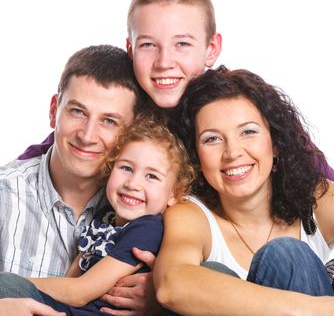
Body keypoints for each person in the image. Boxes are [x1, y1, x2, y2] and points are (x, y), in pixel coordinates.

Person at [16, 0, 334, 184]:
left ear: (211, 48)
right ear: (130, 49)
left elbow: (324, 180)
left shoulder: (241, 104)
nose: (164, 62)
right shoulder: (125, 104)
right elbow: (54, 146)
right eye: (148, 45)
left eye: (182, 44)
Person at [154, 66, 334, 315]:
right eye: (212, 139)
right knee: (285, 256)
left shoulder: (318, 198)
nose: (232, 153)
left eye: (248, 132)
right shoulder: (191, 214)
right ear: (196, 155)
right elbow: (171, 284)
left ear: (275, 144)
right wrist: (329, 309)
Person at [0, 45, 161, 315]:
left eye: (109, 121)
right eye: (77, 112)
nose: (87, 135)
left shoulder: (140, 202)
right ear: (54, 111)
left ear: (134, 131)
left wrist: (161, 300)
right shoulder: (6, 195)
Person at [1, 116, 195, 316]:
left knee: (8, 287)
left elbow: (80, 292)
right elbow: (71, 279)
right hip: (68, 310)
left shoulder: (147, 230)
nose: (132, 184)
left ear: (174, 193)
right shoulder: (104, 218)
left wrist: (22, 282)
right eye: (126, 168)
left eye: (152, 176)